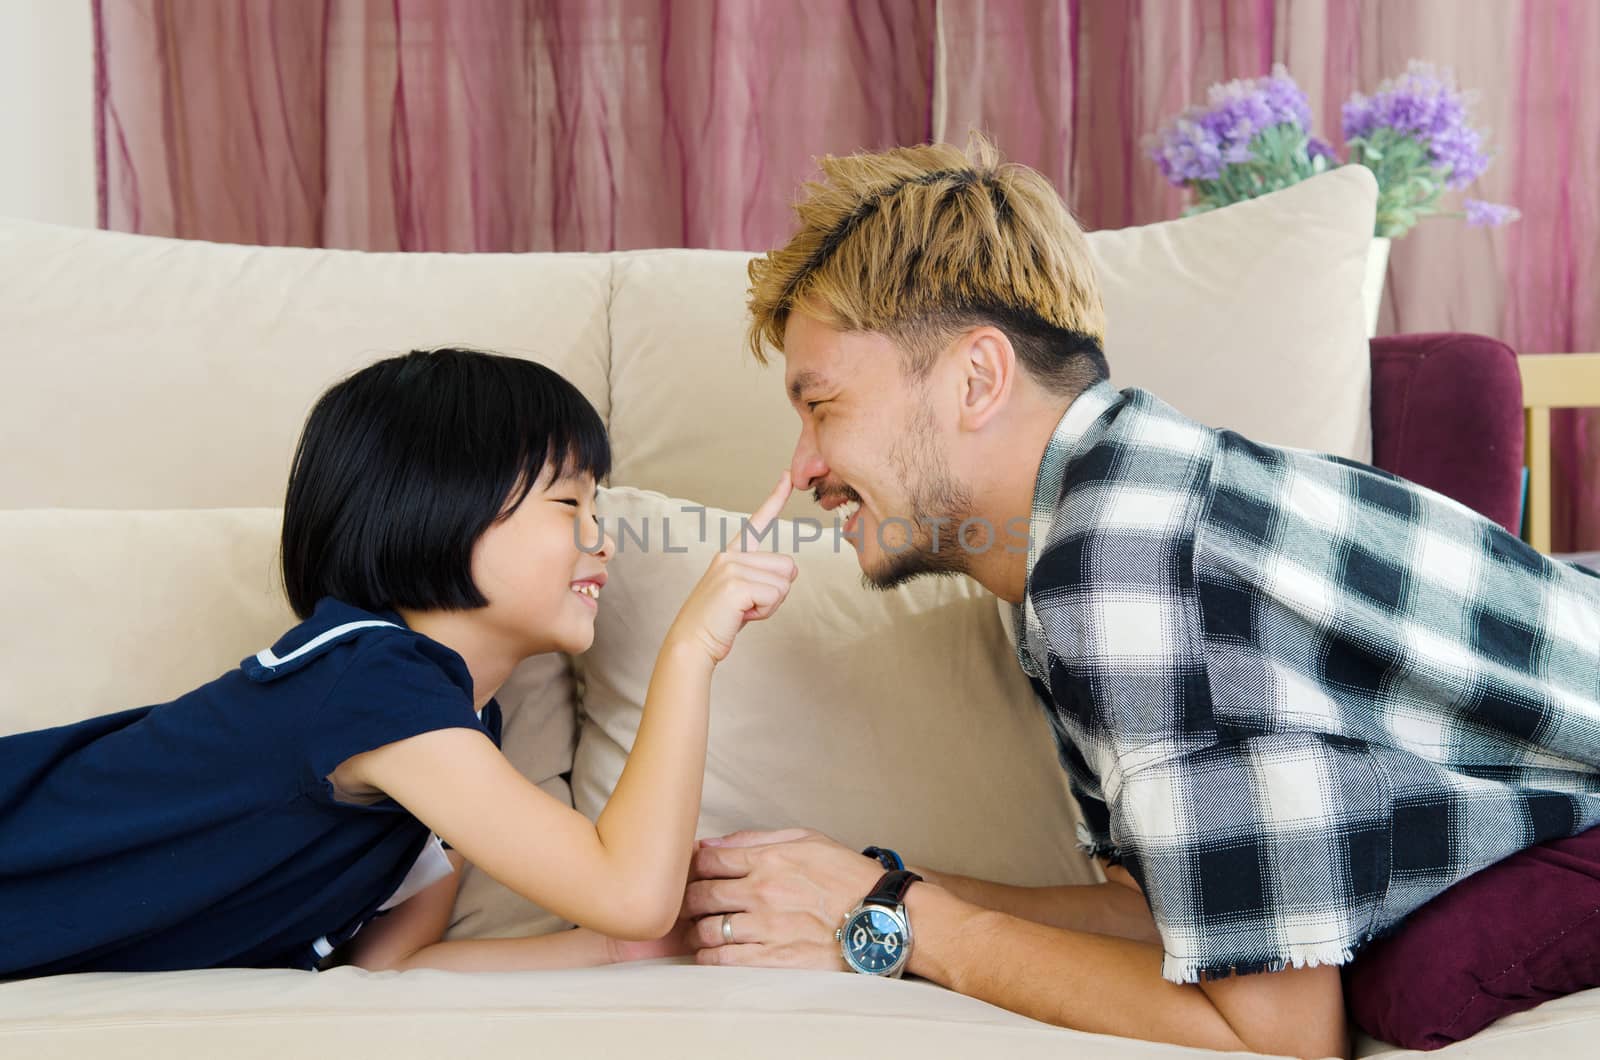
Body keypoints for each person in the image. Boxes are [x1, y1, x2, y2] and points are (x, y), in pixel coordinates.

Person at [677, 135, 1600, 1058]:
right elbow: (1165, 915)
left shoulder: (1121, 564)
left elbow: (1279, 1041)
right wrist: (880, 884)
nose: (802, 468)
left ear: (977, 378)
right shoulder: (1092, 514)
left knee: (1414, 982)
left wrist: (888, 922)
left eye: (822, 404)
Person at [0, 346, 796, 979]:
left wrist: (630, 951)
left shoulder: (451, 721)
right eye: (568, 503)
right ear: (439, 510)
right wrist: (692, 648)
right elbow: (628, 890)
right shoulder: (375, 682)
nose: (603, 538)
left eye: (601, 506)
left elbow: (387, 963)